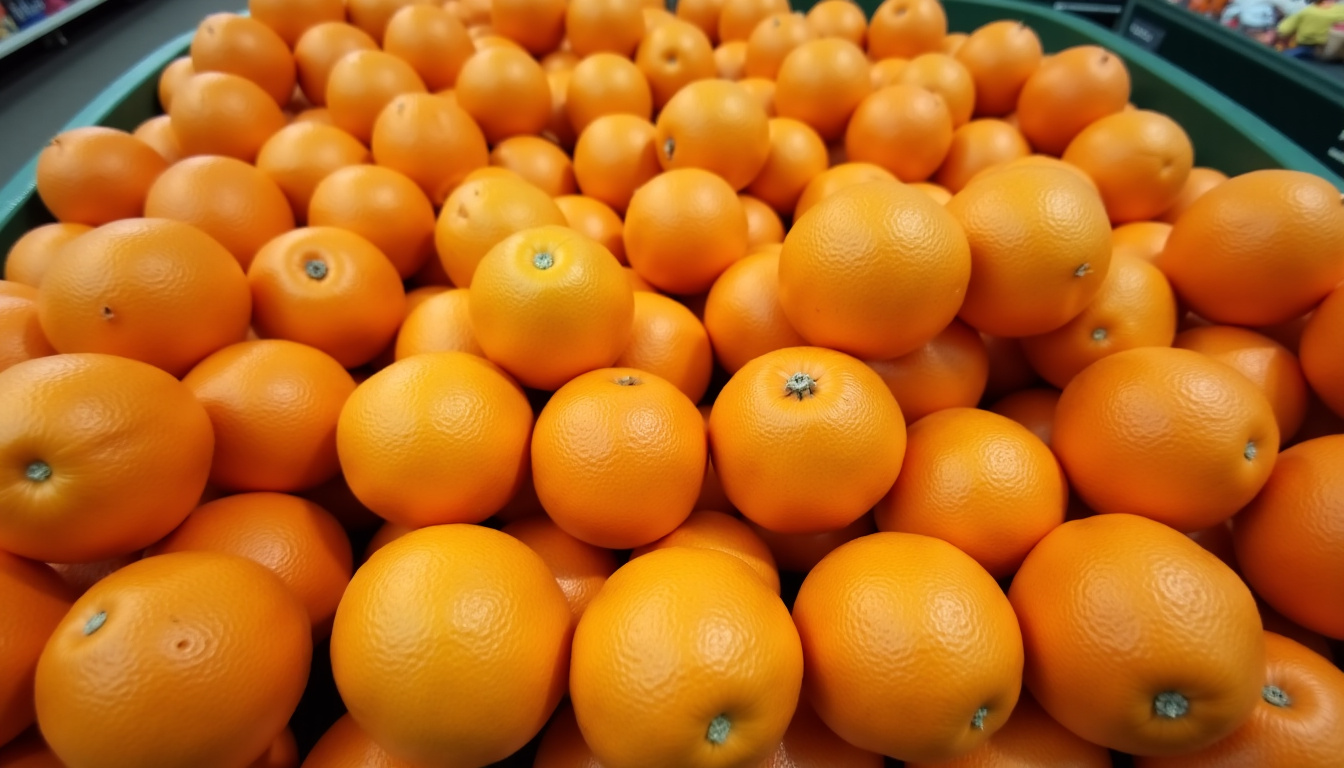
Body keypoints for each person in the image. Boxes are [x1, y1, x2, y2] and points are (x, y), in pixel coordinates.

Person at [1277, 0, 1344, 57]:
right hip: (1337, 54)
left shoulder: (1308, 11)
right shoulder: (1341, 10)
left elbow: (1283, 30)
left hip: (1308, 50)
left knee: (1279, 59)